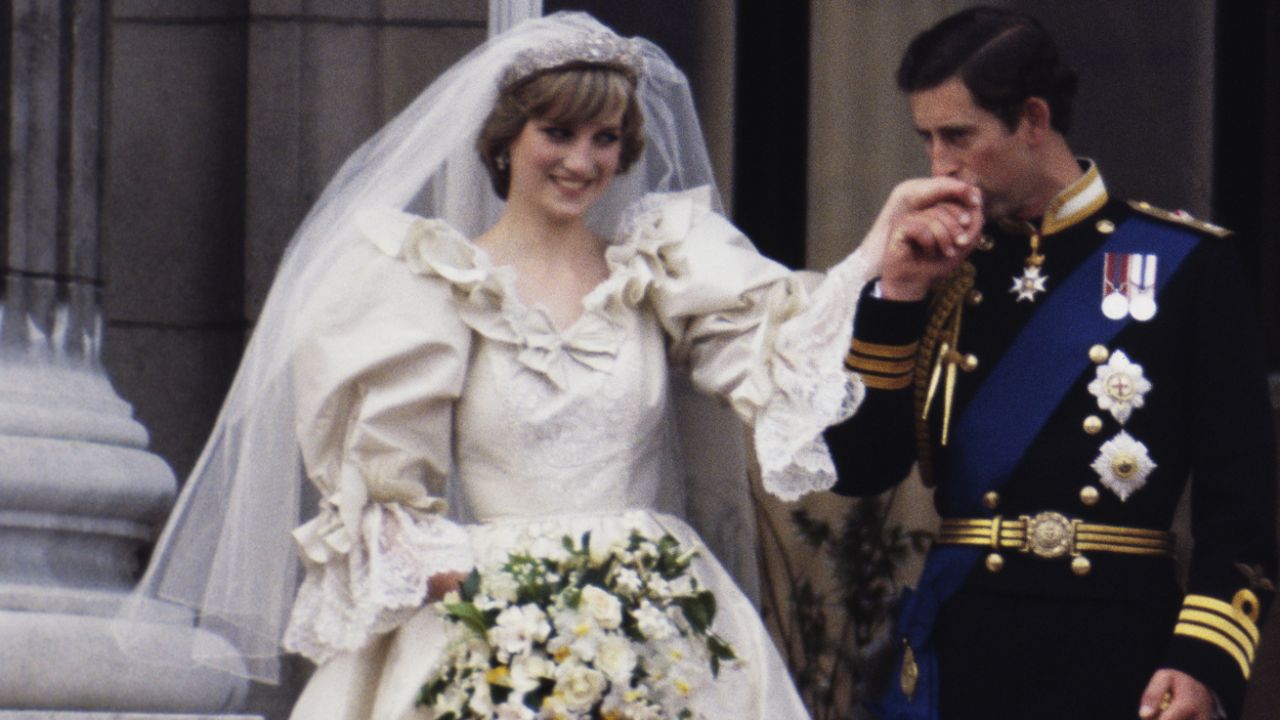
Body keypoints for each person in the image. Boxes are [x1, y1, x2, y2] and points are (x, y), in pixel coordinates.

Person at [116, 12, 976, 720]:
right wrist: (510, 605)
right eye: (557, 132)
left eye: (606, 138)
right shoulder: (428, 283)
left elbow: (788, 346)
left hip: (660, 617)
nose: (583, 160)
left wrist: (876, 257)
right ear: (504, 139)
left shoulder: (659, 265)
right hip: (491, 625)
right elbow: (384, 504)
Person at [825, 7, 1276, 720]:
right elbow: (858, 468)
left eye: (958, 136)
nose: (939, 164)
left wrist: (1203, 659)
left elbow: (1242, 504)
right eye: (928, 139)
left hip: (1116, 653)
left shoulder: (1187, 264)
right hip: (966, 644)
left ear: (1032, 119)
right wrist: (899, 294)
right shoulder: (938, 267)